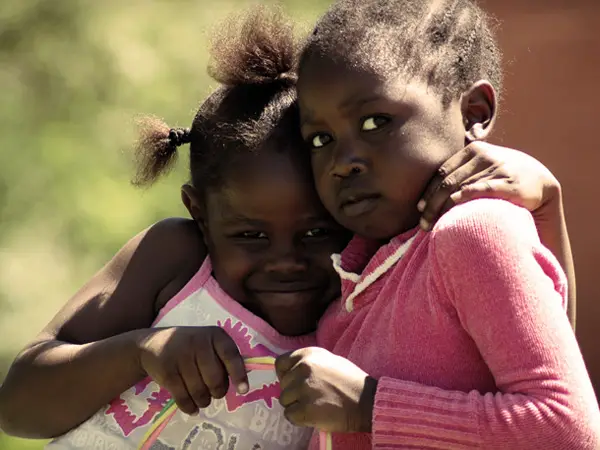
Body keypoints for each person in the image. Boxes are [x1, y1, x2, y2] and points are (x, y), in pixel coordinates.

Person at [0, 5, 581, 450]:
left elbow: (551, 381)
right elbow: (17, 403)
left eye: (314, 233)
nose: (286, 260)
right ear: (202, 216)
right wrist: (144, 351)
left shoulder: (360, 281)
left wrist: (545, 206)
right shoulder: (326, 281)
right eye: (321, 140)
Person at [273, 0, 600, 449]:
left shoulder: (473, 232)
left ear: (473, 113)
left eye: (375, 121)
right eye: (321, 139)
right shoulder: (353, 279)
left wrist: (368, 405)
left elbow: (566, 428)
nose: (342, 162)